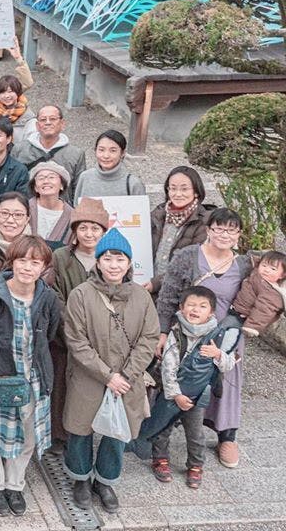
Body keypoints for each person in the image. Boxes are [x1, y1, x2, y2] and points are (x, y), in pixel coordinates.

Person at [64, 228, 159, 513]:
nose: (114, 265)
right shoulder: (81, 295)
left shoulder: (141, 297)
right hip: (88, 376)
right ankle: (80, 478)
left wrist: (126, 375)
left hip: (128, 379)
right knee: (80, 429)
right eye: (107, 258)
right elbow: (76, 341)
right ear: (98, 261)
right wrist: (108, 375)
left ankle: (105, 481)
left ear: (129, 263)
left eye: (120, 259)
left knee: (117, 431)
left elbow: (149, 338)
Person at [0, 235, 62, 516]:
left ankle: (15, 484)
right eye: (22, 260)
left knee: (27, 436)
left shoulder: (48, 298)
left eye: (35, 262)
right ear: (12, 262)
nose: (27, 268)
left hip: (34, 379)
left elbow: (50, 334)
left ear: (44, 267)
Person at [155, 208, 252, 469]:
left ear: (238, 235)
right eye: (218, 228)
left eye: (231, 230)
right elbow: (167, 296)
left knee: (228, 383)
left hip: (227, 337)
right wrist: (163, 332)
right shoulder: (187, 256)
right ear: (208, 230)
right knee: (181, 379)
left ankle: (227, 436)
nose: (224, 234)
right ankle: (161, 435)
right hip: (188, 334)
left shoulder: (244, 264)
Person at [140, 286, 239, 489]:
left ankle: (195, 465)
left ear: (211, 312)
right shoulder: (176, 333)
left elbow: (228, 364)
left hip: (198, 394)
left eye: (202, 306)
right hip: (172, 393)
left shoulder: (217, 335)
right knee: (163, 427)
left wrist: (218, 354)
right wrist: (176, 394)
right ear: (181, 307)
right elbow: (168, 367)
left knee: (195, 433)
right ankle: (160, 459)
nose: (195, 310)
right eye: (191, 305)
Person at [47, 197, 109, 444]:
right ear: (74, 231)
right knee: (61, 388)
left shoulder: (110, 257)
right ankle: (58, 439)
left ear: (103, 231)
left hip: (100, 339)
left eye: (95, 228)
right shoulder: (61, 257)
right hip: (64, 338)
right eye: (83, 227)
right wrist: (73, 332)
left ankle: (85, 436)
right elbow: (55, 295)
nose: (89, 233)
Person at [148, 166, 212, 294]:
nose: (178, 194)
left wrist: (155, 284)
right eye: (173, 188)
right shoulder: (158, 214)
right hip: (148, 286)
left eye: (184, 189)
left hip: (179, 293)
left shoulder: (204, 222)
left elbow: (189, 264)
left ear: (196, 191)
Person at [11, 105, 86, 203]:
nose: (48, 122)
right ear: (37, 125)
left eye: (53, 119)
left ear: (62, 124)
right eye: (43, 120)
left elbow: (79, 189)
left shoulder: (75, 154)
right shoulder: (20, 149)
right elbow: (11, 183)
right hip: (26, 208)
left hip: (63, 209)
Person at [73, 130, 146, 202]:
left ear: (122, 153)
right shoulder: (85, 177)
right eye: (101, 150)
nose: (106, 156)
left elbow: (140, 209)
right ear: (95, 150)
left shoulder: (133, 184)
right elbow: (77, 206)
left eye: (113, 151)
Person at [232, 250, 286, 337]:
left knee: (225, 332)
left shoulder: (272, 292)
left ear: (282, 275)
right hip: (235, 308)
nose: (266, 270)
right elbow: (254, 260)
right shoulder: (258, 274)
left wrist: (251, 327)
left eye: (273, 269)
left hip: (242, 316)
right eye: (264, 265)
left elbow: (264, 310)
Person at [28, 161, 74, 249]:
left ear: (62, 185)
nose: (46, 181)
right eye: (41, 178)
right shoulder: (24, 209)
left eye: (51, 177)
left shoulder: (72, 215)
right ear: (35, 187)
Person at [0, 75, 33, 140]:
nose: (7, 96)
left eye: (10, 91)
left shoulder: (28, 116)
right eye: (2, 92)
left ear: (18, 92)